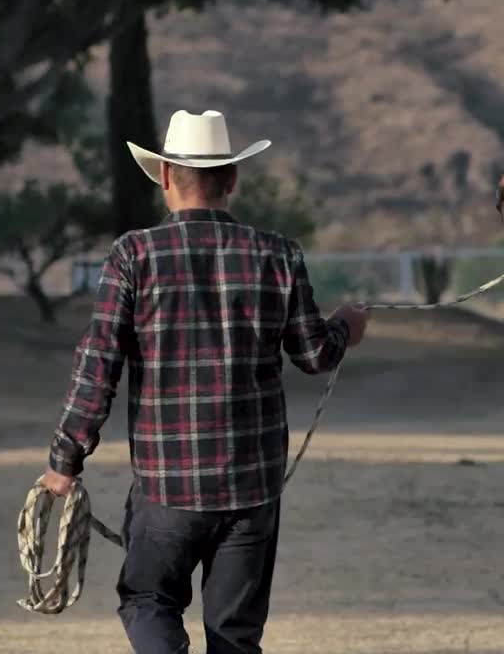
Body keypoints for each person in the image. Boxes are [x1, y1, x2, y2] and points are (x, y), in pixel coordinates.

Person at [40, 109, 369, 653]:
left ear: (166, 177)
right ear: (232, 178)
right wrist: (348, 327)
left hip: (167, 486)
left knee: (148, 603)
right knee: (235, 635)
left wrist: (64, 463)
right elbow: (315, 354)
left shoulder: (133, 256)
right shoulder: (279, 255)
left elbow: (97, 365)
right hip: (252, 487)